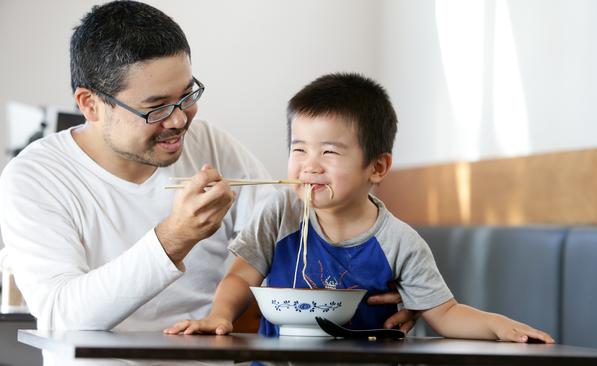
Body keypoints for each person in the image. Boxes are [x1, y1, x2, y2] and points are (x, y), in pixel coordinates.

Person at [0, 2, 415, 365]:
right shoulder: (36, 177)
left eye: (187, 95)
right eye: (156, 107)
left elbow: (295, 229)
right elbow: (62, 316)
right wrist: (172, 239)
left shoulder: (209, 142)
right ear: (90, 104)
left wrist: (385, 278)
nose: (179, 120)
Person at [164, 72, 556, 345]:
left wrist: (498, 326)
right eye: (298, 149)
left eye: (329, 152)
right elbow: (238, 277)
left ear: (378, 167)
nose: (309, 165)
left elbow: (445, 313)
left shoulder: (399, 241)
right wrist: (220, 315)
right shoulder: (280, 211)